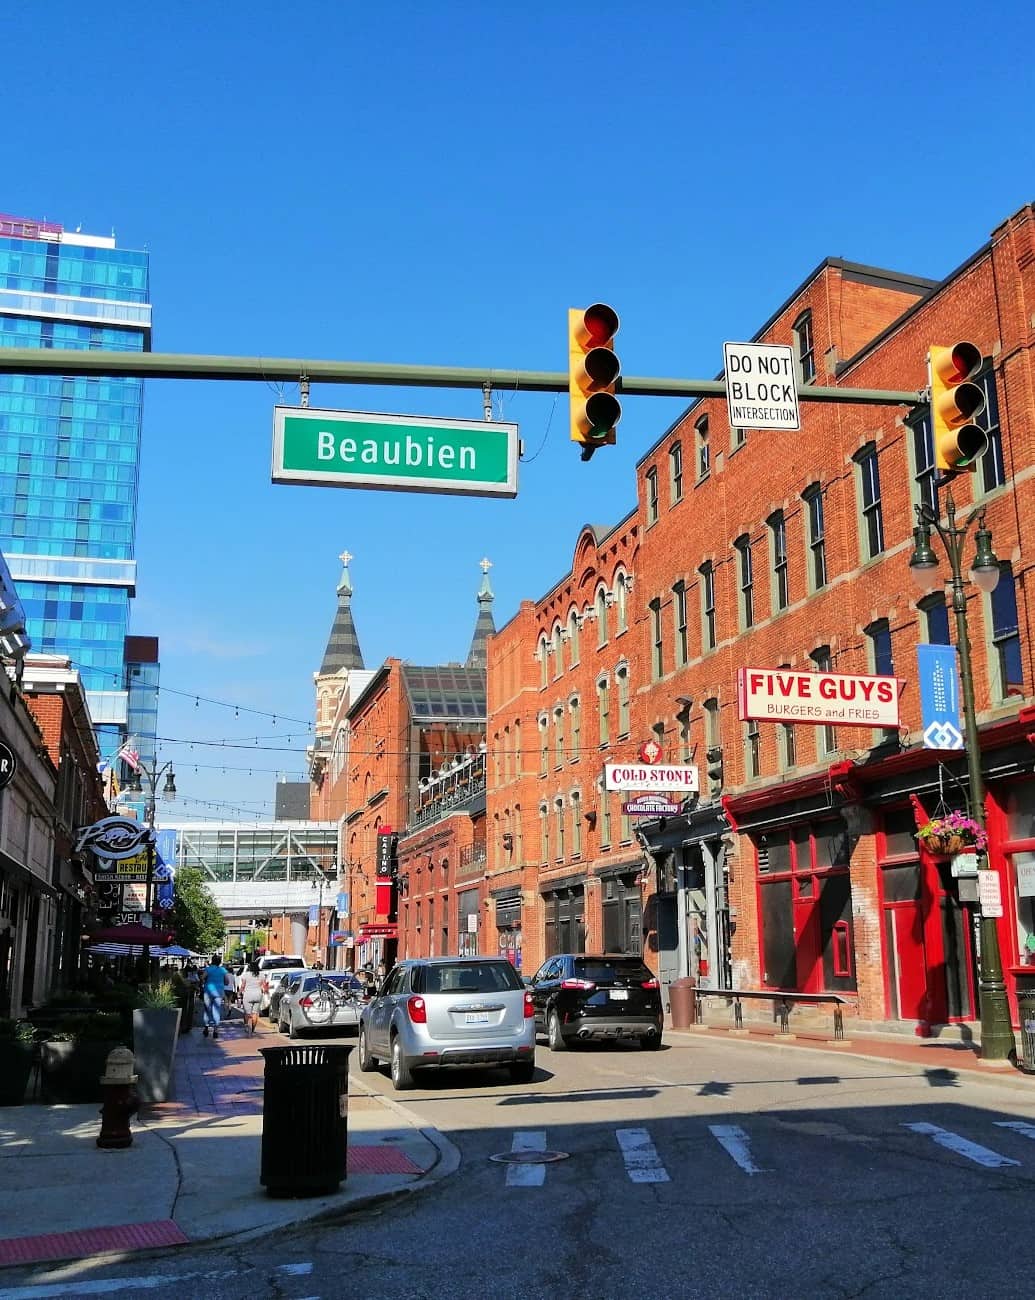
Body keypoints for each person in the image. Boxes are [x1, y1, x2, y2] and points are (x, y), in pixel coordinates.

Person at [201, 953, 232, 1039]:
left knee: (207, 1010)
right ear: (219, 962)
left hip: (208, 992)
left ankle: (206, 1027)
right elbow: (227, 982)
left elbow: (202, 978)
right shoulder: (223, 970)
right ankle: (215, 1030)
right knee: (216, 1011)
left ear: (212, 961)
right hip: (218, 993)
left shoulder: (208, 969)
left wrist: (205, 982)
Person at [237, 960, 263, 1036]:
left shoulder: (246, 975)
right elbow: (262, 985)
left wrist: (239, 992)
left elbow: (243, 986)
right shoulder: (261, 974)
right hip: (258, 994)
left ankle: (246, 1026)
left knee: (246, 1013)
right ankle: (253, 1029)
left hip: (248, 994)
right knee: (255, 1013)